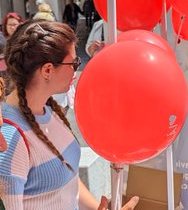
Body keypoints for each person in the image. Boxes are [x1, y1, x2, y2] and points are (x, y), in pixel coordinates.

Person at [0, 20, 139, 209]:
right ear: (48, 70)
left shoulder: (49, 109)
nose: (77, 68)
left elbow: (67, 176)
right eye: (74, 63)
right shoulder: (9, 140)